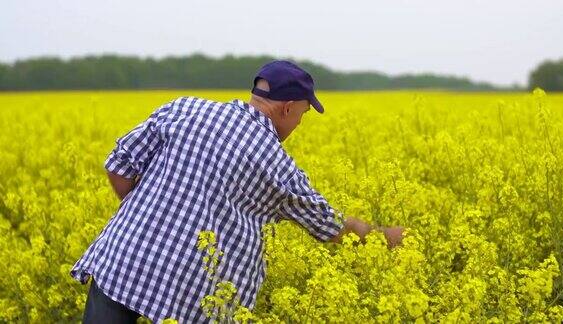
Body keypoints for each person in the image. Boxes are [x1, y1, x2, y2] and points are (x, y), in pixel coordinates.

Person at [70, 60, 405, 323]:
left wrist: (144, 217)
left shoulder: (184, 108)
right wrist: (384, 236)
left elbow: (119, 164)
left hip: (122, 264)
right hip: (192, 298)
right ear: (287, 108)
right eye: (303, 113)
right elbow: (332, 227)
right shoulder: (278, 166)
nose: (301, 123)